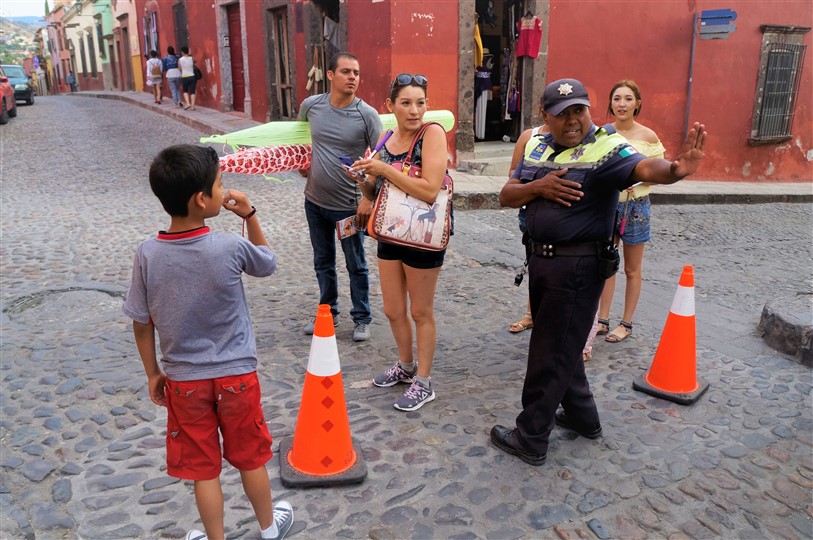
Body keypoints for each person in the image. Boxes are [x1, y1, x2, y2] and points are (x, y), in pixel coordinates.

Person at [491, 78, 706, 465]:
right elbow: (507, 194)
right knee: (562, 345)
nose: (573, 120)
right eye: (563, 114)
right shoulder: (537, 145)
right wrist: (538, 187)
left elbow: (645, 167)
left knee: (548, 353)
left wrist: (675, 169)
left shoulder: (607, 147)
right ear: (546, 116)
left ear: (590, 109)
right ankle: (581, 416)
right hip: (540, 261)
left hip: (577, 268)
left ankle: (531, 436)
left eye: (580, 110)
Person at [122, 144, 294, 540]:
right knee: (250, 458)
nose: (223, 190)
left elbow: (141, 322)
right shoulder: (229, 247)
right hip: (237, 377)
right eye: (219, 185)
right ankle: (268, 530)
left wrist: (153, 373)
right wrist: (249, 215)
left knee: (204, 470)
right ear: (203, 200)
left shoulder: (148, 254)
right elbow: (267, 263)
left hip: (184, 382)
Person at [351, 73, 448, 411]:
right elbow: (375, 191)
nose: (414, 110)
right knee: (393, 309)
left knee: (420, 310)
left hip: (422, 237)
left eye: (420, 103)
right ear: (390, 106)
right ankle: (405, 367)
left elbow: (430, 189)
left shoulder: (432, 134)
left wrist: (385, 170)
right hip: (390, 231)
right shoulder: (386, 136)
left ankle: (424, 381)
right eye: (405, 103)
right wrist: (366, 178)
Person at [297, 52, 382, 342]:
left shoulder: (366, 114)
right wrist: (303, 163)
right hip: (315, 201)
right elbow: (301, 139)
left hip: (348, 206)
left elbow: (380, 159)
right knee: (323, 261)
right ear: (330, 75)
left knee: (355, 263)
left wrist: (368, 198)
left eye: (356, 73)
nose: (353, 78)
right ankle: (328, 314)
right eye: (346, 72)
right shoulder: (311, 106)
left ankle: (362, 318)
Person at [597, 80, 666, 343]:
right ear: (610, 103)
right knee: (606, 264)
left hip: (635, 206)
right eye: (616, 99)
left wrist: (632, 181)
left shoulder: (648, 136)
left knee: (632, 268)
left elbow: (658, 174)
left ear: (638, 103)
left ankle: (626, 323)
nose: (621, 104)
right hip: (606, 204)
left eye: (627, 99)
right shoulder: (602, 133)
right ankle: (602, 320)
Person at [179, 46, 197, 110]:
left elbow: (180, 69)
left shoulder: (180, 60)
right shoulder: (192, 58)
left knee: (185, 91)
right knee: (192, 91)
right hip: (192, 76)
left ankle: (188, 103)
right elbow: (195, 62)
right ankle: (193, 106)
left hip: (185, 76)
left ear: (182, 52)